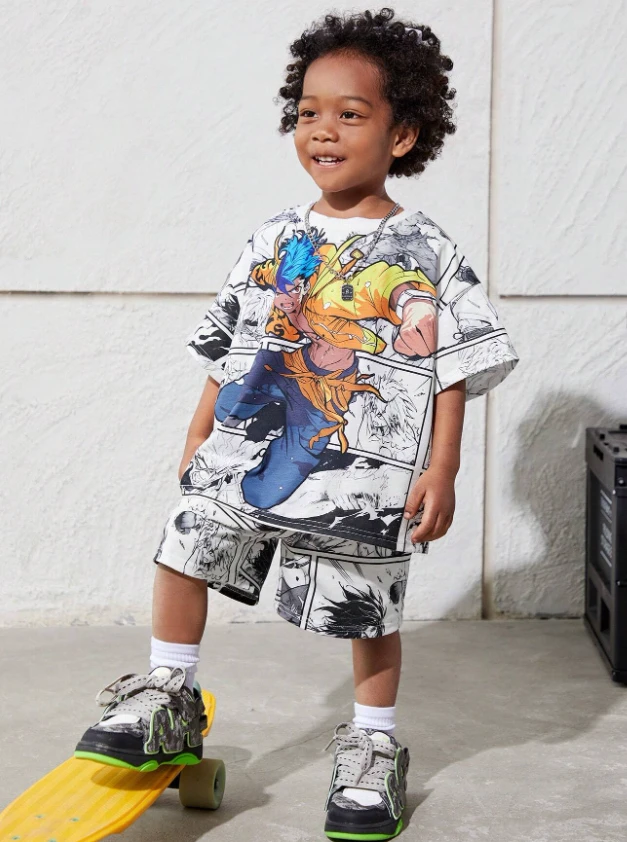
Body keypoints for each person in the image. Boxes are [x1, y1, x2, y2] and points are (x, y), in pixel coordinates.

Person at [75, 8, 519, 840]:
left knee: (366, 604)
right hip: (251, 435)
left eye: (349, 113)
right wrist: (199, 428)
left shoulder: (426, 250)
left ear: (401, 135)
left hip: (359, 457)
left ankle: (373, 746)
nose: (322, 129)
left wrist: (443, 466)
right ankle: (168, 693)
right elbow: (231, 342)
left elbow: (453, 364)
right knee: (189, 536)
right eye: (308, 111)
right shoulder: (274, 235)